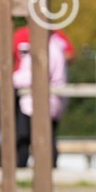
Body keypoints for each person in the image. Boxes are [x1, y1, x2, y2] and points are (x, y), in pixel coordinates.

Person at [12, 31, 68, 168]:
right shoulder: (52, 47)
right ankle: (46, 168)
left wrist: (10, 78)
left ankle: (33, 169)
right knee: (46, 138)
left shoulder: (48, 49)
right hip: (46, 102)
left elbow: (36, 76)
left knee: (27, 138)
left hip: (37, 103)